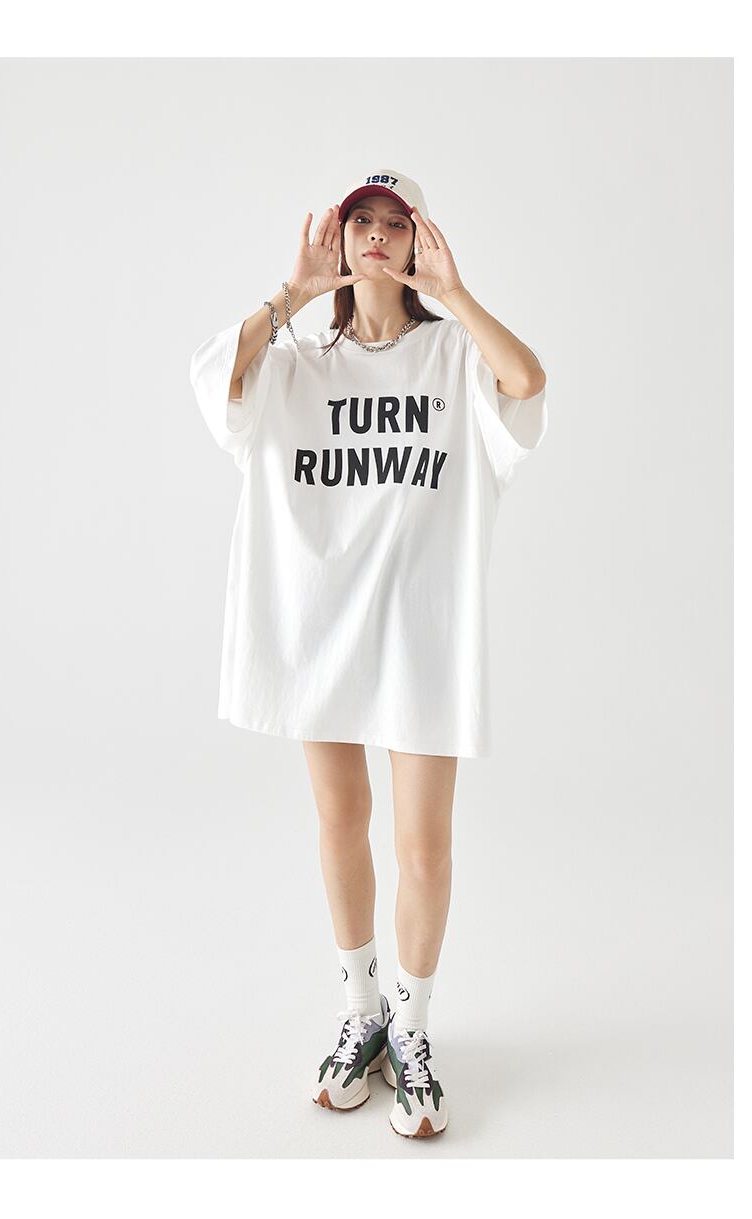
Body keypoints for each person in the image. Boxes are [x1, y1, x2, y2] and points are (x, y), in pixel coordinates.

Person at [189, 169, 548, 1139]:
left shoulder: (454, 356)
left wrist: (456, 293)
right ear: (340, 239)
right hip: (321, 629)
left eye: (396, 223)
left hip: (423, 634)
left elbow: (526, 384)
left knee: (424, 843)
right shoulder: (297, 363)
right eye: (362, 223)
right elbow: (216, 382)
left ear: (420, 240)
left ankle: (414, 1027)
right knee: (340, 818)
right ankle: (363, 1010)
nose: (377, 236)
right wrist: (294, 293)